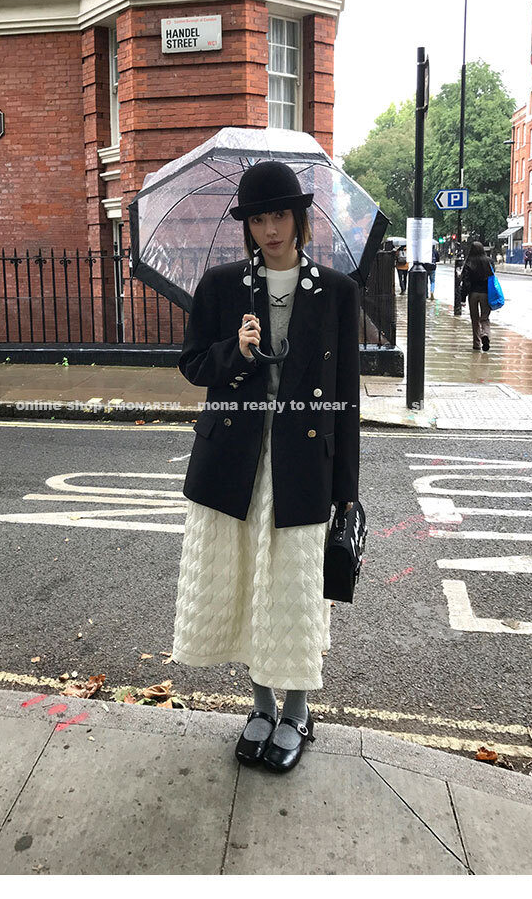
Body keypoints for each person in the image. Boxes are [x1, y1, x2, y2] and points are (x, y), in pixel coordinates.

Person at [172, 160, 360, 774]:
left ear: (299, 217)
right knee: (246, 584)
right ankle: (260, 706)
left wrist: (347, 492)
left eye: (280, 215)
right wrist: (237, 351)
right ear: (246, 225)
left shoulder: (337, 291)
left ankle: (298, 712)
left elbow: (346, 397)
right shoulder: (223, 286)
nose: (270, 230)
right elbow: (194, 365)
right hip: (236, 462)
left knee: (297, 591)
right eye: (258, 219)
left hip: (302, 465)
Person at [459, 240, 494, 351]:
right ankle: (485, 334)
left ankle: (477, 343)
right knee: (485, 318)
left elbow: (466, 282)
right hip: (486, 293)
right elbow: (492, 277)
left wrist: (463, 298)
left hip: (473, 294)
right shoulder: (489, 261)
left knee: (475, 319)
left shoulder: (469, 262)